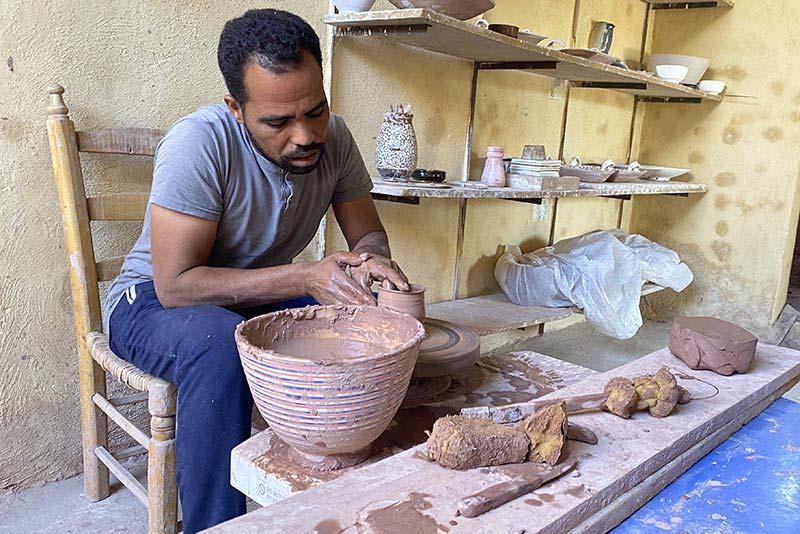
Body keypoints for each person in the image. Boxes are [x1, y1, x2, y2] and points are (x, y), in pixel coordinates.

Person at [104, 9, 409, 532]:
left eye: (315, 111)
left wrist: (373, 261)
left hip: (250, 297)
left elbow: (368, 235)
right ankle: (215, 525)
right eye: (277, 122)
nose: (305, 135)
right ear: (235, 108)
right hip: (152, 303)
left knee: (372, 323)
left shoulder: (335, 138)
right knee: (219, 343)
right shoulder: (199, 144)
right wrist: (304, 277)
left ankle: (353, 499)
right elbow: (176, 285)